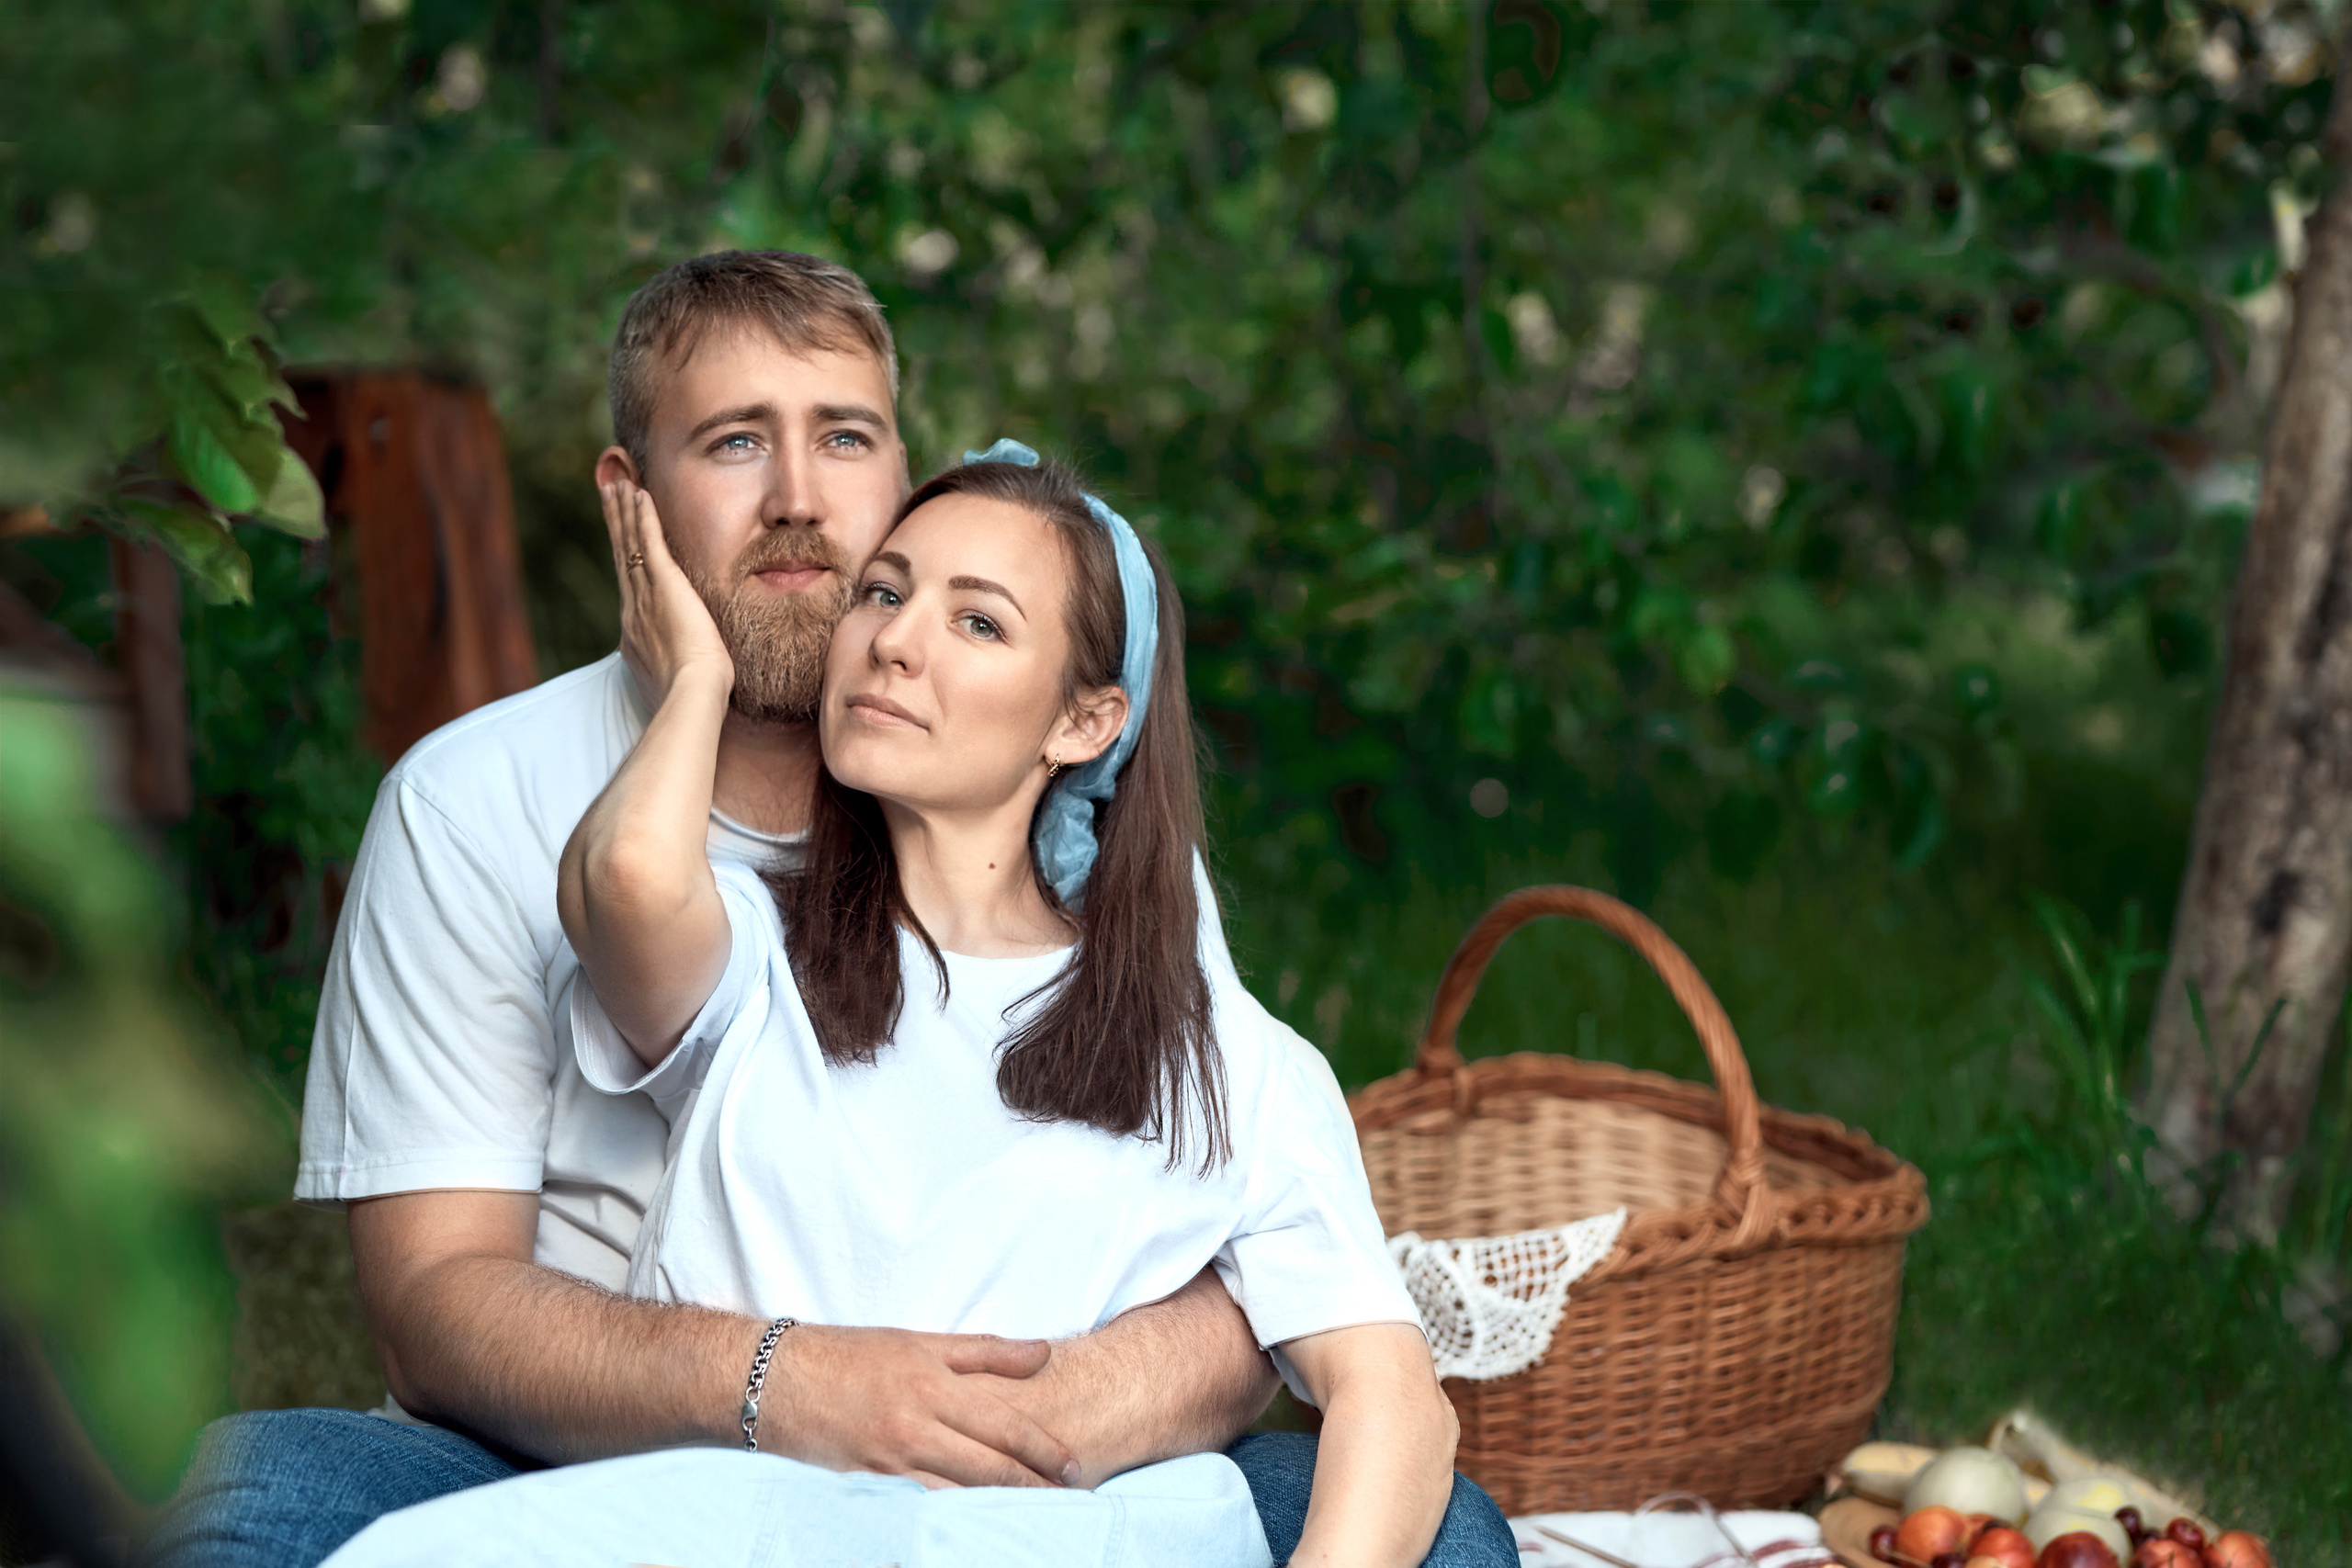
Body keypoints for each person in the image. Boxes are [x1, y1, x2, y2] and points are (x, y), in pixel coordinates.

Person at [141, 252, 1517, 1566]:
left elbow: (1251, 1232)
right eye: (737, 441)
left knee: (1438, 1528)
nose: (800, 497)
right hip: (576, 1469)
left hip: (1032, 1480)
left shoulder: (1084, 861)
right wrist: (788, 1385)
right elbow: (436, 1310)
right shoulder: (489, 808)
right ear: (632, 498)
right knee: (247, 1503)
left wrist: (1067, 1407)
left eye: (848, 439)